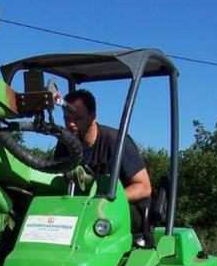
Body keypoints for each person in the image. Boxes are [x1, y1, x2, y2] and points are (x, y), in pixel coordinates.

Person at [54, 88, 152, 241]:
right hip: (81, 209)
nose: (71, 124)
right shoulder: (65, 145)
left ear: (93, 117)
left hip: (121, 211)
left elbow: (144, 187)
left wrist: (105, 201)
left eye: (77, 118)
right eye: (67, 118)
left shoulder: (117, 142)